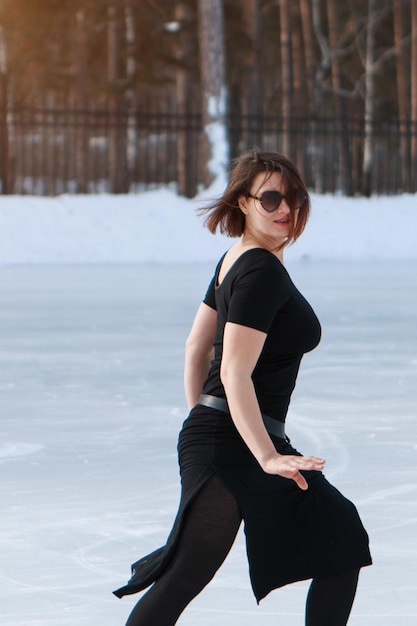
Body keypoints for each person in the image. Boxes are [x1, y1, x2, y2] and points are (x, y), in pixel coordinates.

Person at [114, 148, 372, 625]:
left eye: (292, 197)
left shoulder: (234, 261)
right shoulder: (260, 270)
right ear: (243, 204)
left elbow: (196, 348)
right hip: (240, 442)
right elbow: (231, 369)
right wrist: (263, 454)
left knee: (339, 538)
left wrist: (206, 421)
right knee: (187, 572)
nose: (285, 209)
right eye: (270, 198)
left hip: (227, 436)